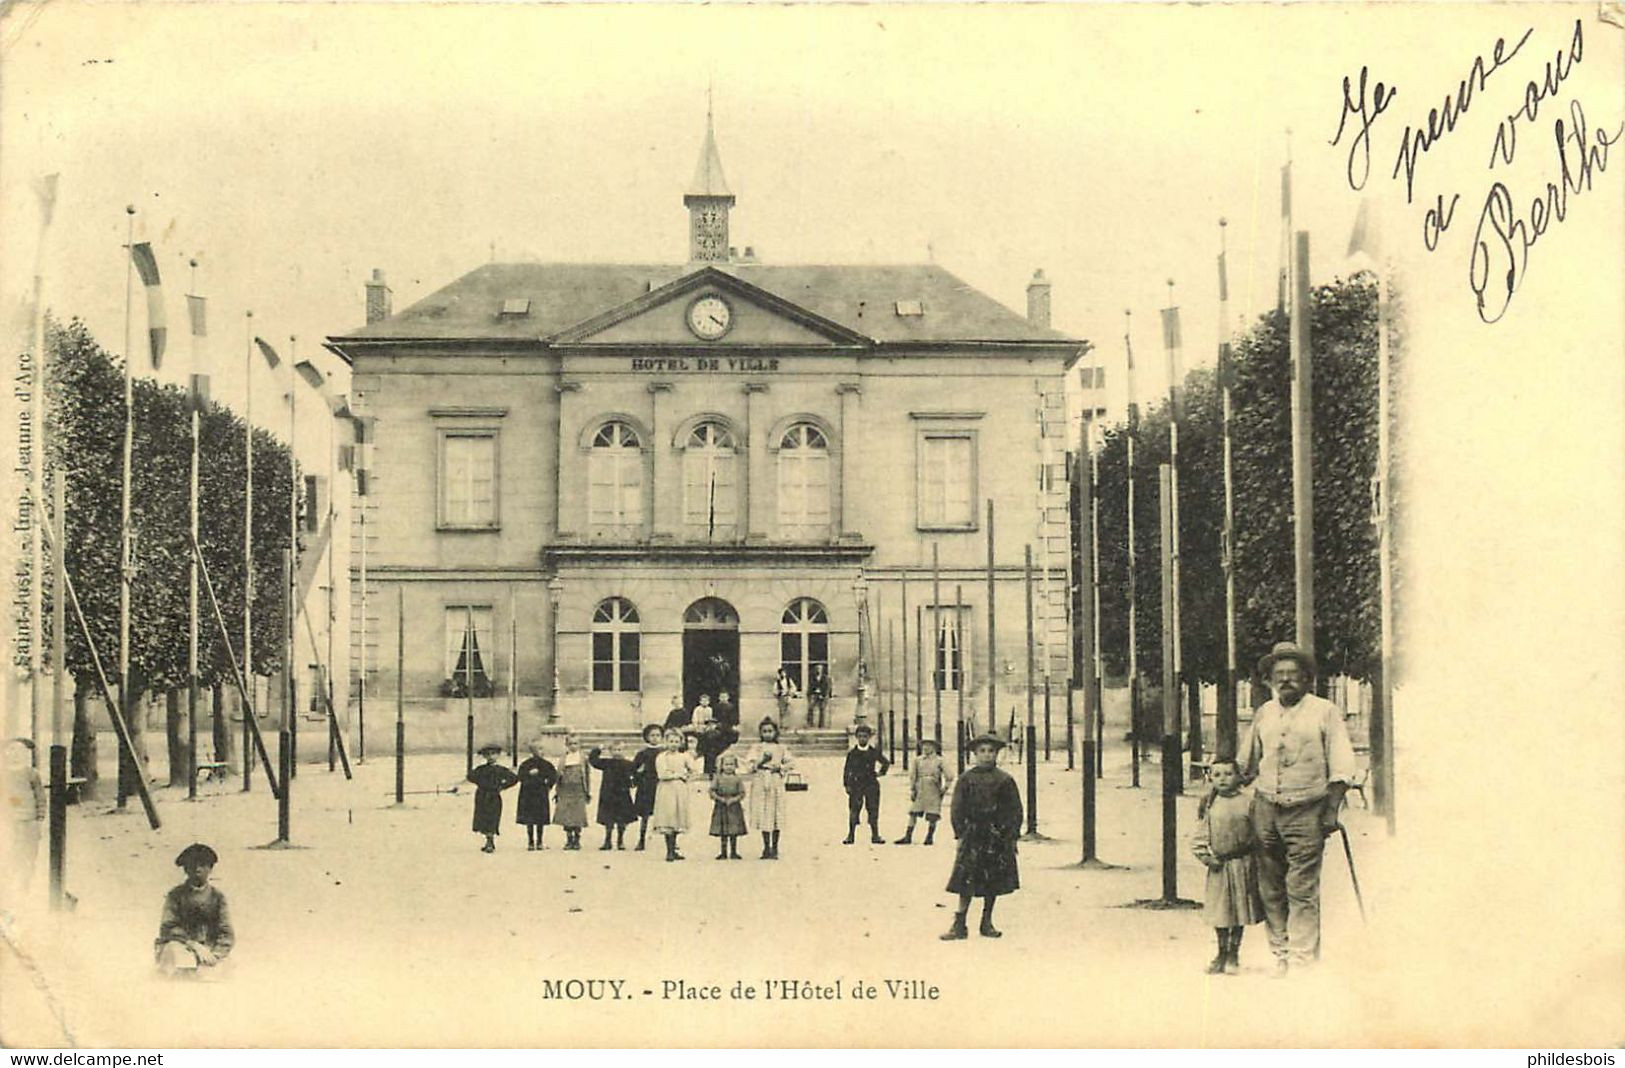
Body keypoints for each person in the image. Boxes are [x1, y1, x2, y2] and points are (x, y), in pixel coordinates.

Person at [1239, 641, 1357, 976]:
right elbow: (1246, 762)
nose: (1286, 680)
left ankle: (1303, 958)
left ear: (1307, 679)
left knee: (1301, 887)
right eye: (1280, 675)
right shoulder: (1264, 713)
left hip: (1307, 808)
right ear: (1269, 679)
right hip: (1266, 808)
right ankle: (1281, 953)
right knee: (1270, 886)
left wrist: (1331, 809)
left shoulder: (1325, 711)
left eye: (1294, 674)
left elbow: (1342, 761)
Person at [941, 733, 1023, 940]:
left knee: (993, 880)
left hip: (996, 836)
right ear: (975, 755)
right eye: (982, 751)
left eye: (991, 751)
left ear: (997, 754)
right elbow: (957, 808)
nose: (987, 755)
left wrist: (1011, 835)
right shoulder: (967, 779)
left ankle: (987, 922)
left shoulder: (1005, 780)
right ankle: (959, 924)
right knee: (965, 880)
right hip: (973, 835)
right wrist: (960, 833)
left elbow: (1015, 810)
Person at [1191, 757, 1264, 974]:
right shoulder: (1209, 803)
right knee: (1220, 911)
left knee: (1239, 910)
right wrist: (1207, 858)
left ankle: (1234, 954)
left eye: (1228, 774)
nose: (1223, 779)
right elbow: (1199, 837)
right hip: (1219, 866)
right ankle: (1220, 953)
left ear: (1239, 776)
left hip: (1243, 864)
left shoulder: (1249, 802)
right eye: (1217, 775)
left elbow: (1259, 833)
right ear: (1211, 778)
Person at [155, 843, 234, 978]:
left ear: (210, 869)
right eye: (192, 865)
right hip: (181, 946)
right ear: (185, 869)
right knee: (176, 965)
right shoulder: (176, 895)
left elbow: (226, 933)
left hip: (209, 949)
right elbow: (168, 927)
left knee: (217, 974)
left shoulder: (217, 897)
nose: (197, 869)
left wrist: (215, 955)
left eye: (203, 865)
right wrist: (193, 944)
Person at [745, 718, 794, 859]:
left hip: (775, 781)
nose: (767, 734)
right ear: (760, 733)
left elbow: (791, 763)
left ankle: (775, 847)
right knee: (764, 813)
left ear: (775, 732)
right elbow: (749, 766)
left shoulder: (781, 748)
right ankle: (766, 847)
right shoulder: (756, 748)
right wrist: (761, 762)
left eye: (770, 731)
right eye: (764, 731)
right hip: (761, 781)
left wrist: (780, 767)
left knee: (775, 813)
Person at [3, 738, 45, 898]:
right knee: (9, 853)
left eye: (20, 751)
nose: (16, 754)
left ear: (26, 754)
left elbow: (40, 797)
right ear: (6, 753)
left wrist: (39, 817)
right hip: (8, 821)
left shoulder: (32, 773)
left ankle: (25, 886)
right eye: (12, 750)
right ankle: (9, 889)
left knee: (29, 854)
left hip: (29, 821)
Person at [651, 727, 699, 861]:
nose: (673, 744)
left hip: (680, 789)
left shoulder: (684, 757)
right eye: (671, 741)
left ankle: (674, 848)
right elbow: (662, 774)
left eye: (676, 741)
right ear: (666, 742)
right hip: (666, 789)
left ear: (681, 742)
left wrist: (687, 777)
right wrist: (679, 774)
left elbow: (695, 770)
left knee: (678, 816)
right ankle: (669, 850)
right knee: (668, 816)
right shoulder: (661, 757)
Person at [841, 723, 891, 844]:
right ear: (856, 737)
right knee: (854, 810)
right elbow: (847, 770)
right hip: (856, 785)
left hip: (871, 784)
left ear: (869, 737)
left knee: (873, 809)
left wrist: (880, 773)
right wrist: (847, 785)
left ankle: (875, 835)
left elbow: (886, 762)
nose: (863, 738)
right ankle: (851, 835)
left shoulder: (874, 752)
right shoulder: (852, 753)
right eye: (860, 736)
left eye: (865, 736)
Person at [896, 737, 949, 845]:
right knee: (913, 813)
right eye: (924, 745)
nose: (925, 748)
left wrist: (945, 788)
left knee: (933, 814)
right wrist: (912, 789)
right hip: (920, 788)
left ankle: (929, 837)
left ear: (934, 747)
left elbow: (950, 775)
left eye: (929, 745)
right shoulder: (917, 760)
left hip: (933, 788)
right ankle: (908, 836)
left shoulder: (939, 760)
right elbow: (913, 776)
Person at [467, 742, 519, 853]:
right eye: (488, 754)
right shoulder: (481, 769)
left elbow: (514, 779)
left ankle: (490, 841)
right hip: (482, 796)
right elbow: (470, 776)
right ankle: (488, 840)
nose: (491, 757)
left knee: (493, 818)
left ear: (498, 755)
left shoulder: (500, 770)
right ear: (485, 756)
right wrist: (480, 783)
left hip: (494, 796)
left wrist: (502, 786)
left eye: (493, 754)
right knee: (483, 818)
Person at [588, 741, 637, 850]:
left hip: (622, 794)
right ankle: (607, 840)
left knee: (622, 819)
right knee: (608, 819)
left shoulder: (628, 764)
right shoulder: (607, 763)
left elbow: (635, 774)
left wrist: (632, 783)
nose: (617, 752)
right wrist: (598, 749)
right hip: (608, 794)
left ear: (624, 751)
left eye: (620, 750)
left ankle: (620, 840)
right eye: (615, 750)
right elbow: (593, 761)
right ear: (610, 752)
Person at [515, 740, 558, 851]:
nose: (540, 752)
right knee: (529, 820)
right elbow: (520, 776)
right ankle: (530, 841)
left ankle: (539, 841)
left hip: (540, 794)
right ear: (532, 751)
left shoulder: (546, 764)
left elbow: (553, 776)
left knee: (540, 819)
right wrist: (528, 775)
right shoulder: (526, 764)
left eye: (541, 749)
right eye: (538, 749)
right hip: (528, 794)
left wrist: (548, 786)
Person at [553, 733, 591, 850]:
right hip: (566, 789)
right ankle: (569, 839)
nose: (573, 746)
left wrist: (587, 791)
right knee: (566, 815)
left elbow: (587, 776)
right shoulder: (563, 758)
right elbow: (558, 775)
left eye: (575, 743)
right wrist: (557, 790)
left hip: (578, 789)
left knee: (577, 815)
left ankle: (577, 839)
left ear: (579, 745)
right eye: (570, 744)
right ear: (566, 745)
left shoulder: (583, 758)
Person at [629, 723, 665, 851]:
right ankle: (642, 839)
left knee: (667, 814)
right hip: (646, 786)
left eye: (658, 735)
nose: (655, 738)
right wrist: (638, 773)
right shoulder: (642, 753)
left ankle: (671, 843)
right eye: (652, 735)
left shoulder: (664, 752)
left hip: (662, 784)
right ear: (647, 737)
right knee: (645, 815)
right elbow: (633, 769)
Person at [707, 753, 747, 860]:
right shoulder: (718, 778)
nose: (729, 767)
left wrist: (734, 799)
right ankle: (723, 852)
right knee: (723, 830)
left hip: (734, 807)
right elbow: (711, 791)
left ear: (735, 766)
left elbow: (742, 793)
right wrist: (720, 799)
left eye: (731, 764)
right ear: (721, 766)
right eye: (726, 764)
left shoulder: (737, 779)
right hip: (721, 806)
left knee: (734, 830)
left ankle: (733, 852)